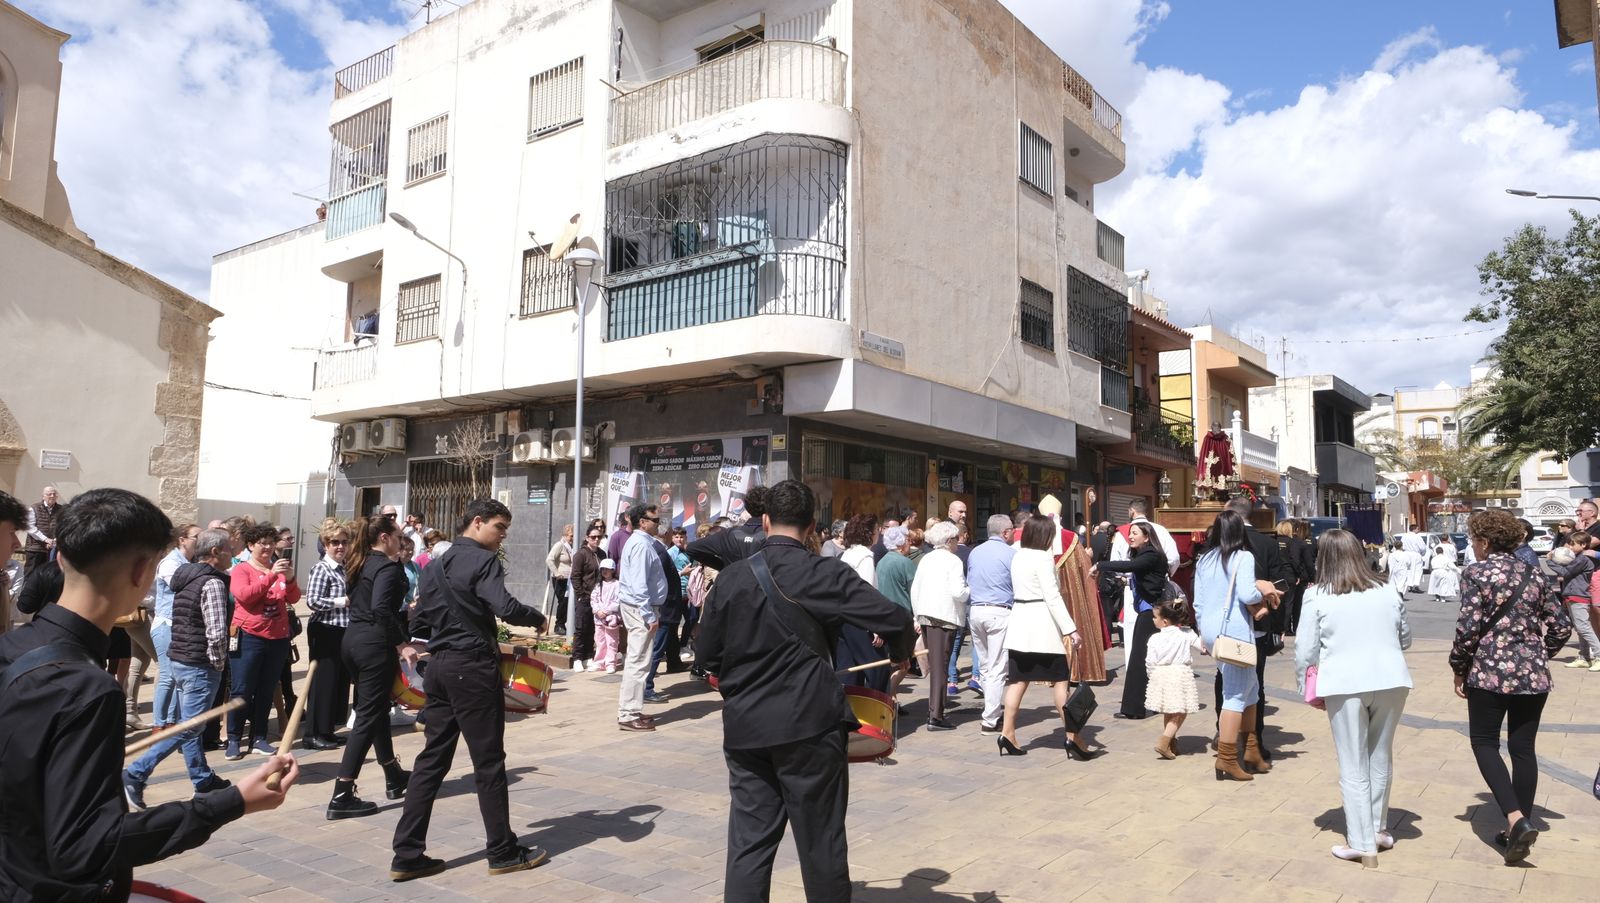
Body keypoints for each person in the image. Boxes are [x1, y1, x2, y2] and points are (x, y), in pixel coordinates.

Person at [0, 488, 299, 899]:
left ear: (63, 557)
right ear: (143, 572)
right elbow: (85, 847)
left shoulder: (11, 649)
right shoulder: (90, 689)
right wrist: (232, 802)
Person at [695, 479, 914, 902]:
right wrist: (901, 654)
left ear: (764, 521)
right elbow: (896, 619)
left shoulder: (732, 577)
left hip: (746, 728)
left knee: (749, 843)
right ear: (813, 525)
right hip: (810, 726)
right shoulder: (823, 572)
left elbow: (707, 656)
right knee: (821, 842)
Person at [391, 499, 549, 880]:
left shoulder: (434, 565)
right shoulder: (482, 561)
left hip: (441, 669)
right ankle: (502, 851)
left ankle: (406, 854)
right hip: (472, 669)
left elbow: (420, 618)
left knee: (431, 762)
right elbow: (505, 606)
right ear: (477, 523)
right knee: (489, 762)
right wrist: (536, 617)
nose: (503, 536)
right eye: (499, 527)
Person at [1451, 509, 1572, 865]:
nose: (1473, 546)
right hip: (1532, 674)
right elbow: (1561, 626)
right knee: (1523, 748)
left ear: (1485, 541)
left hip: (1488, 671)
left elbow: (1468, 629)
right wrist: (1537, 653)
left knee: (1485, 742)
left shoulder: (1476, 573)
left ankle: (1515, 819)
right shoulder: (1534, 574)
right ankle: (1519, 825)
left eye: (1474, 539)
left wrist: (1459, 667)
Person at [1294, 529, 1413, 867]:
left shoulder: (1317, 595)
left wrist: (1306, 685)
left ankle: (1362, 842)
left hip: (1344, 682)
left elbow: (1305, 649)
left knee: (1352, 762)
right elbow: (1405, 638)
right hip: (1390, 678)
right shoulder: (1386, 588)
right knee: (1380, 755)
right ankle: (1375, 829)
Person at [123, 528, 237, 805]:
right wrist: (219, 665)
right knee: (189, 727)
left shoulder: (186, 576)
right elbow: (216, 631)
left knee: (189, 724)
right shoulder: (212, 583)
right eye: (228, 550)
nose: (231, 554)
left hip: (182, 658)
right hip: (199, 663)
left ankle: (202, 779)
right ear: (214, 553)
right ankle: (135, 774)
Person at [327, 515, 415, 819]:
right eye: (398, 536)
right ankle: (342, 793)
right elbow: (380, 608)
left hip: (353, 641)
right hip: (374, 644)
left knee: (375, 709)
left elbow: (356, 600)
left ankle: (393, 774)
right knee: (366, 715)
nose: (401, 541)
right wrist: (402, 644)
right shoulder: (386, 568)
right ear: (385, 538)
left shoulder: (360, 562)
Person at [997, 514, 1088, 758]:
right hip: (1042, 625)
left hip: (1019, 622)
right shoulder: (1043, 558)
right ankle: (1072, 736)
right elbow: (1053, 596)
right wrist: (1071, 628)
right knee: (1060, 681)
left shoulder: (1018, 555)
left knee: (1018, 681)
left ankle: (1007, 732)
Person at [1193, 509, 1267, 781]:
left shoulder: (1204, 559)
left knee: (1251, 690)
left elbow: (1198, 602)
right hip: (1234, 630)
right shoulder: (1243, 557)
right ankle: (1226, 758)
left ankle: (1251, 749)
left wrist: (1203, 632)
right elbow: (1248, 593)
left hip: (1213, 631)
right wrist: (1266, 590)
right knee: (1235, 695)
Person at [226, 523, 301, 760]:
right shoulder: (242, 570)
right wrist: (271, 575)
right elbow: (245, 596)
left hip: (277, 637)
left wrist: (289, 579)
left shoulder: (278, 568)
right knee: (242, 689)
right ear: (250, 545)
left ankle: (259, 737)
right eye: (262, 543)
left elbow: (295, 597)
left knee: (267, 688)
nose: (268, 547)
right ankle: (234, 738)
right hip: (249, 636)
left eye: (271, 542)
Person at [1098, 521, 1169, 719]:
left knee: (1138, 660)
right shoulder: (1146, 555)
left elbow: (1130, 566)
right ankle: (1153, 702)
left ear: (1146, 537)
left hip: (1151, 614)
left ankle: (1134, 709)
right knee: (1148, 660)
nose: (1130, 536)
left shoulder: (1151, 555)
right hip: (1150, 613)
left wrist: (1099, 565)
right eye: (1129, 533)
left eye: (1134, 533)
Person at [910, 521, 968, 731]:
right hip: (943, 616)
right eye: (955, 539)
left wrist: (917, 616)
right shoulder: (952, 561)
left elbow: (915, 589)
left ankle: (935, 709)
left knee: (937, 665)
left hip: (926, 614)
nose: (957, 543)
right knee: (940, 666)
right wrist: (971, 591)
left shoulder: (927, 559)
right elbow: (958, 592)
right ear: (949, 540)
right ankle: (936, 714)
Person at [615, 504, 667, 731]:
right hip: (639, 609)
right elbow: (638, 584)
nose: (658, 523)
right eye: (655, 520)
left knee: (640, 661)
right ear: (642, 522)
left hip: (638, 608)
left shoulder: (643, 543)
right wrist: (648, 614)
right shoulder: (640, 545)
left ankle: (632, 709)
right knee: (638, 662)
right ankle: (627, 714)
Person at [303, 520, 352, 750]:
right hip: (325, 630)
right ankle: (313, 734)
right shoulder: (322, 568)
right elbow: (312, 600)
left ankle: (327, 730)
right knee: (322, 683)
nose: (340, 547)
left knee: (335, 684)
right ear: (325, 544)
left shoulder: (343, 567)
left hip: (341, 630)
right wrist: (340, 601)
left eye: (344, 542)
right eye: (335, 543)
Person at [966, 514, 1016, 733]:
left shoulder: (975, 552)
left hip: (976, 611)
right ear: (1005, 533)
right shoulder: (1011, 554)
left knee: (986, 665)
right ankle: (990, 718)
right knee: (996, 667)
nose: (1014, 532)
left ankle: (991, 707)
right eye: (1012, 529)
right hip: (999, 611)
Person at [149, 522, 200, 730]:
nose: (201, 540)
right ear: (182, 540)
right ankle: (158, 725)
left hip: (181, 625)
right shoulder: (170, 563)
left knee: (178, 676)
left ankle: (172, 721)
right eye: (197, 537)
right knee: (168, 676)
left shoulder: (192, 562)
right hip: (166, 625)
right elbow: (179, 585)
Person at [1144, 595, 1204, 760]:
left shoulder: (1154, 638)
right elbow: (1202, 647)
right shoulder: (1186, 633)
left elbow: (1150, 661)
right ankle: (1164, 742)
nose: (1153, 620)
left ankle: (1171, 743)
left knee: (1170, 710)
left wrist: (1152, 677)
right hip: (1179, 674)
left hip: (1160, 674)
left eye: (1155, 617)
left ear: (1164, 622)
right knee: (1180, 711)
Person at [643, 524, 690, 703]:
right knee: (655, 649)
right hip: (664, 608)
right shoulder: (660, 551)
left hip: (665, 608)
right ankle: (647, 687)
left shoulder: (657, 549)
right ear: (667, 534)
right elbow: (658, 581)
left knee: (658, 647)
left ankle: (646, 685)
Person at [1551, 531, 1600, 669]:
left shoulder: (1582, 559)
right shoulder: (1577, 558)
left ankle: (1598, 655)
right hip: (1572, 595)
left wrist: (1550, 561)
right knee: (1580, 628)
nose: (1570, 547)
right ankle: (1584, 657)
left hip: (1579, 596)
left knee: (1583, 627)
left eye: (1573, 544)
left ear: (1583, 545)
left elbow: (1565, 572)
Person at [569, 524, 603, 672]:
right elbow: (575, 576)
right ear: (587, 538)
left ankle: (588, 657)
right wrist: (581, 595)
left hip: (597, 598)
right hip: (585, 597)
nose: (596, 539)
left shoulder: (602, 554)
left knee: (593, 628)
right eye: (593, 537)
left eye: (599, 537)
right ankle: (577, 658)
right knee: (581, 627)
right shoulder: (581, 555)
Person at [22, 484, 61, 575]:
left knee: (47, 576)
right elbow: (30, 527)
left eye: (54, 494)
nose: (52, 496)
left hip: (53, 549)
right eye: (49, 494)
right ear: (43, 496)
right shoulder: (34, 508)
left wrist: (54, 541)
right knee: (30, 574)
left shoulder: (61, 509)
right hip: (35, 548)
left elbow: (62, 526)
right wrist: (45, 539)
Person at [591, 559, 621, 673]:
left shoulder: (617, 584)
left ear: (613, 570)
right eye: (603, 569)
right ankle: (599, 662)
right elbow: (594, 599)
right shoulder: (598, 585)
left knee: (612, 641)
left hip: (611, 618)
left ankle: (610, 663)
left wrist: (607, 611)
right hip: (599, 618)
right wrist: (597, 610)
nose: (605, 571)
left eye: (607, 569)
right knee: (600, 640)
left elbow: (618, 601)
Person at [545, 524, 574, 635]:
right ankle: (559, 625)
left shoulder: (571, 547)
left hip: (569, 579)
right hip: (560, 579)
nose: (572, 538)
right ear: (565, 535)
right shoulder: (559, 545)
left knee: (568, 602)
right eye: (571, 536)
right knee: (563, 602)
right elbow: (549, 559)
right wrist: (557, 573)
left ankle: (565, 624)